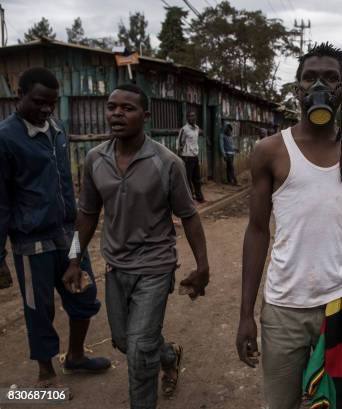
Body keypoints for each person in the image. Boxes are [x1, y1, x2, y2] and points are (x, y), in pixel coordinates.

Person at [236, 43, 342, 409]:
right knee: (282, 404)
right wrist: (245, 314)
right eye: (310, 78)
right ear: (297, 90)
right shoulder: (270, 151)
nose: (320, 86)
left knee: (341, 403)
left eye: (331, 78)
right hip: (284, 309)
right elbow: (257, 231)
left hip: (341, 306)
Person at [70, 84, 211, 408]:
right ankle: (168, 354)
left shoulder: (167, 162)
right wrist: (74, 259)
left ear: (145, 116)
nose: (117, 113)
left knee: (138, 353)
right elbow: (87, 216)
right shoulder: (95, 160)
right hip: (116, 267)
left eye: (127, 108)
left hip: (155, 268)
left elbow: (189, 216)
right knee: (124, 341)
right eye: (111, 107)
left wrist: (203, 265)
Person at [0, 67, 110, 390]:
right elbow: (1, 203)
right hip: (32, 243)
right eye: (38, 102)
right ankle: (45, 372)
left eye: (52, 102)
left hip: (71, 235)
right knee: (39, 308)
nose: (46, 109)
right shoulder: (5, 139)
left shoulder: (58, 128)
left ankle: (75, 356)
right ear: (19, 96)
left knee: (85, 293)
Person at [178, 111, 205, 202]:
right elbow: (179, 143)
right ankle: (189, 198)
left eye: (193, 116)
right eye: (190, 116)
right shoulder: (184, 129)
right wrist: (181, 155)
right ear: (187, 118)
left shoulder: (196, 128)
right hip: (187, 157)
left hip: (195, 156)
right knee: (187, 178)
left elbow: (201, 133)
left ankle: (199, 197)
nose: (192, 118)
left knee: (197, 178)